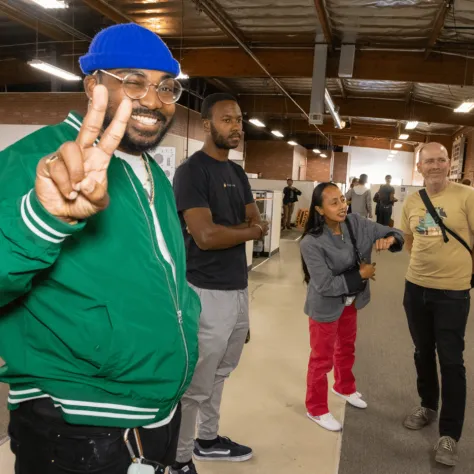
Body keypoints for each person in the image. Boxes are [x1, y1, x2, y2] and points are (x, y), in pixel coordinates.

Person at [0, 23, 201, 474]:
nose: (152, 100)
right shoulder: (36, 161)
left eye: (166, 87)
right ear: (94, 85)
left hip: (158, 413)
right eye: (133, 81)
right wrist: (41, 219)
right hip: (74, 426)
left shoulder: (155, 175)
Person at [172, 93, 269, 474]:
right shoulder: (192, 171)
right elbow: (206, 237)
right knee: (196, 383)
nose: (236, 126)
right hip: (205, 292)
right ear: (206, 125)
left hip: (237, 289)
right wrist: (248, 231)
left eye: (239, 119)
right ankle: (179, 460)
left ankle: (207, 439)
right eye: (227, 120)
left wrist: (241, 228)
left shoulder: (238, 173)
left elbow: (256, 220)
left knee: (221, 371)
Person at [300, 182, 403, 432]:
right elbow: (324, 285)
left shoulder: (356, 223)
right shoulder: (311, 242)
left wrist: (390, 238)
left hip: (351, 303)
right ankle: (316, 408)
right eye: (333, 202)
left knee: (346, 348)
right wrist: (362, 274)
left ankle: (344, 387)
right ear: (320, 209)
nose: (341, 206)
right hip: (325, 307)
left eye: (342, 200)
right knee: (321, 359)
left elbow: (396, 233)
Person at [401, 142, 474, 467]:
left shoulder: (466, 196)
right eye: (429, 161)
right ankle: (428, 405)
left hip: (453, 293)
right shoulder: (413, 200)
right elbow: (410, 240)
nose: (435, 165)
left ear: (449, 164)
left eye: (441, 160)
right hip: (416, 288)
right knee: (421, 351)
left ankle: (449, 435)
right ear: (419, 166)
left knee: (451, 360)